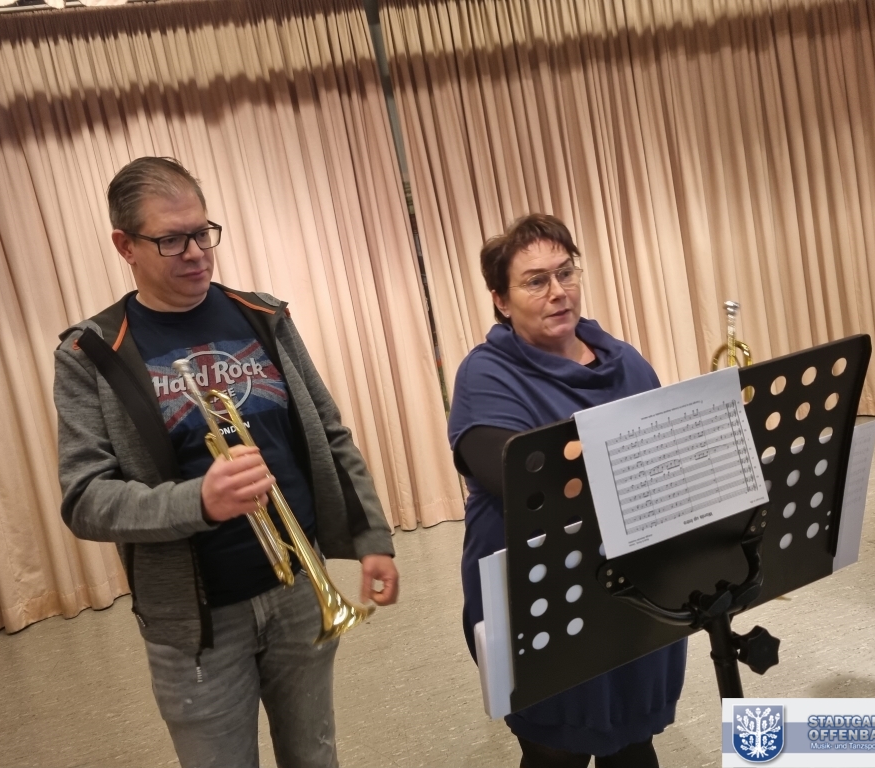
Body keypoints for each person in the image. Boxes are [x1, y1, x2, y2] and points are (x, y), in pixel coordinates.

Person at [54, 156, 399, 768]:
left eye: (202, 232)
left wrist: (371, 535)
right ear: (125, 246)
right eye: (171, 240)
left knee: (315, 754)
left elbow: (328, 431)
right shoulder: (93, 351)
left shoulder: (262, 315)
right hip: (196, 623)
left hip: (300, 588)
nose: (196, 253)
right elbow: (85, 499)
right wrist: (200, 501)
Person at [447, 214, 686, 768]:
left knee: (634, 745)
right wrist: (631, 456)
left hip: (636, 584)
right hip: (544, 597)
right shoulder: (485, 374)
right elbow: (526, 484)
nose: (558, 291)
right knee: (555, 754)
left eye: (566, 272)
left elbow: (669, 457)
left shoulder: (625, 361)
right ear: (501, 300)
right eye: (535, 281)